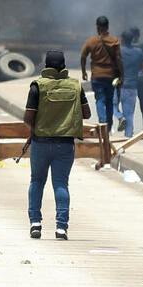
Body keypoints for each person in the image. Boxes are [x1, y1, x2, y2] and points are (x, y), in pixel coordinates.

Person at [24, 49, 90, 240]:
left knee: (37, 181)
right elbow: (86, 114)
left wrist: (38, 127)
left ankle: (35, 223)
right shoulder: (75, 86)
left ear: (46, 66)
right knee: (61, 184)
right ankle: (61, 227)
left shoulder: (38, 86)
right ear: (63, 66)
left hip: (41, 143)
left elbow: (28, 117)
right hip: (65, 144)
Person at [81, 16, 124, 133]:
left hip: (97, 76)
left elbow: (83, 56)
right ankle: (109, 125)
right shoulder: (114, 41)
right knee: (110, 101)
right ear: (108, 26)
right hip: (110, 76)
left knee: (100, 99)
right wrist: (121, 75)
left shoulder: (91, 41)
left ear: (98, 27)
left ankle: (102, 122)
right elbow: (119, 59)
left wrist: (84, 72)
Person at [118, 29, 143, 137]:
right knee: (129, 114)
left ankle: (119, 117)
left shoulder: (118, 51)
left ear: (122, 39)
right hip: (132, 87)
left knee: (111, 106)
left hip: (119, 86)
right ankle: (128, 138)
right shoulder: (138, 52)